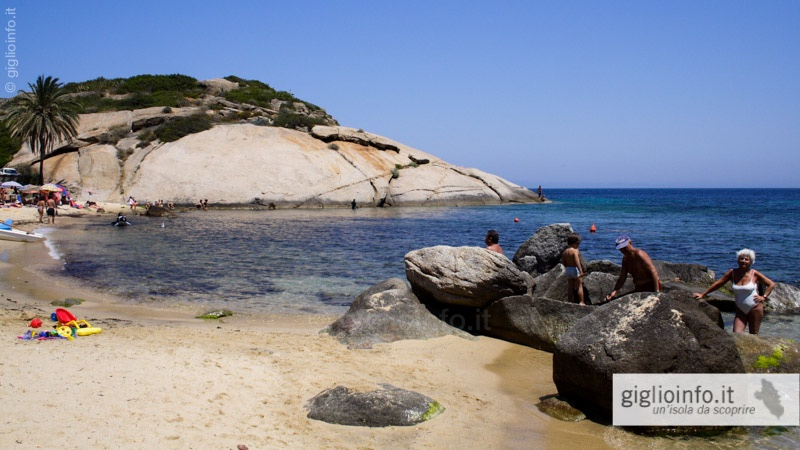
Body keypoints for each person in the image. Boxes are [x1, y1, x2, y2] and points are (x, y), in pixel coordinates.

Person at [693, 249, 775, 335]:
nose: (744, 261)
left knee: (754, 334)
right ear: (738, 260)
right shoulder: (732, 272)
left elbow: (771, 284)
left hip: (755, 307)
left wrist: (764, 297)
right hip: (740, 309)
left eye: (746, 259)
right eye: (741, 258)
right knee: (736, 334)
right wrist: (703, 294)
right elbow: (718, 283)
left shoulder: (755, 273)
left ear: (751, 262)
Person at [605, 234, 661, 301]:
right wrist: (614, 292)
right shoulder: (625, 259)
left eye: (625, 247)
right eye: (621, 249)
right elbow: (622, 277)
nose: (623, 250)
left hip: (650, 286)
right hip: (639, 287)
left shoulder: (639, 254)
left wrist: (656, 292)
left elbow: (653, 271)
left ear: (630, 243)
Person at [561, 232, 585, 305]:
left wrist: (565, 269)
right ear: (575, 243)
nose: (578, 246)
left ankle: (570, 301)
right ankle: (581, 302)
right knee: (579, 286)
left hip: (568, 269)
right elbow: (577, 261)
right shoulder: (575, 251)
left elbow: (563, 262)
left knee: (570, 286)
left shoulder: (565, 251)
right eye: (578, 244)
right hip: (575, 269)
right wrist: (581, 271)